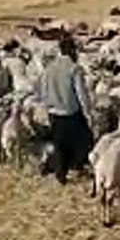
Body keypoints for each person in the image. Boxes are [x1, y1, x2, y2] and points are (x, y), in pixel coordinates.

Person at [39, 38, 95, 184]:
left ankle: (60, 173)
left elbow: (42, 90)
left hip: (53, 112)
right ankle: (77, 166)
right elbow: (81, 93)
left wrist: (48, 106)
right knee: (83, 139)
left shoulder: (49, 68)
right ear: (72, 51)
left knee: (59, 143)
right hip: (70, 112)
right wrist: (88, 113)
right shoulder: (74, 68)